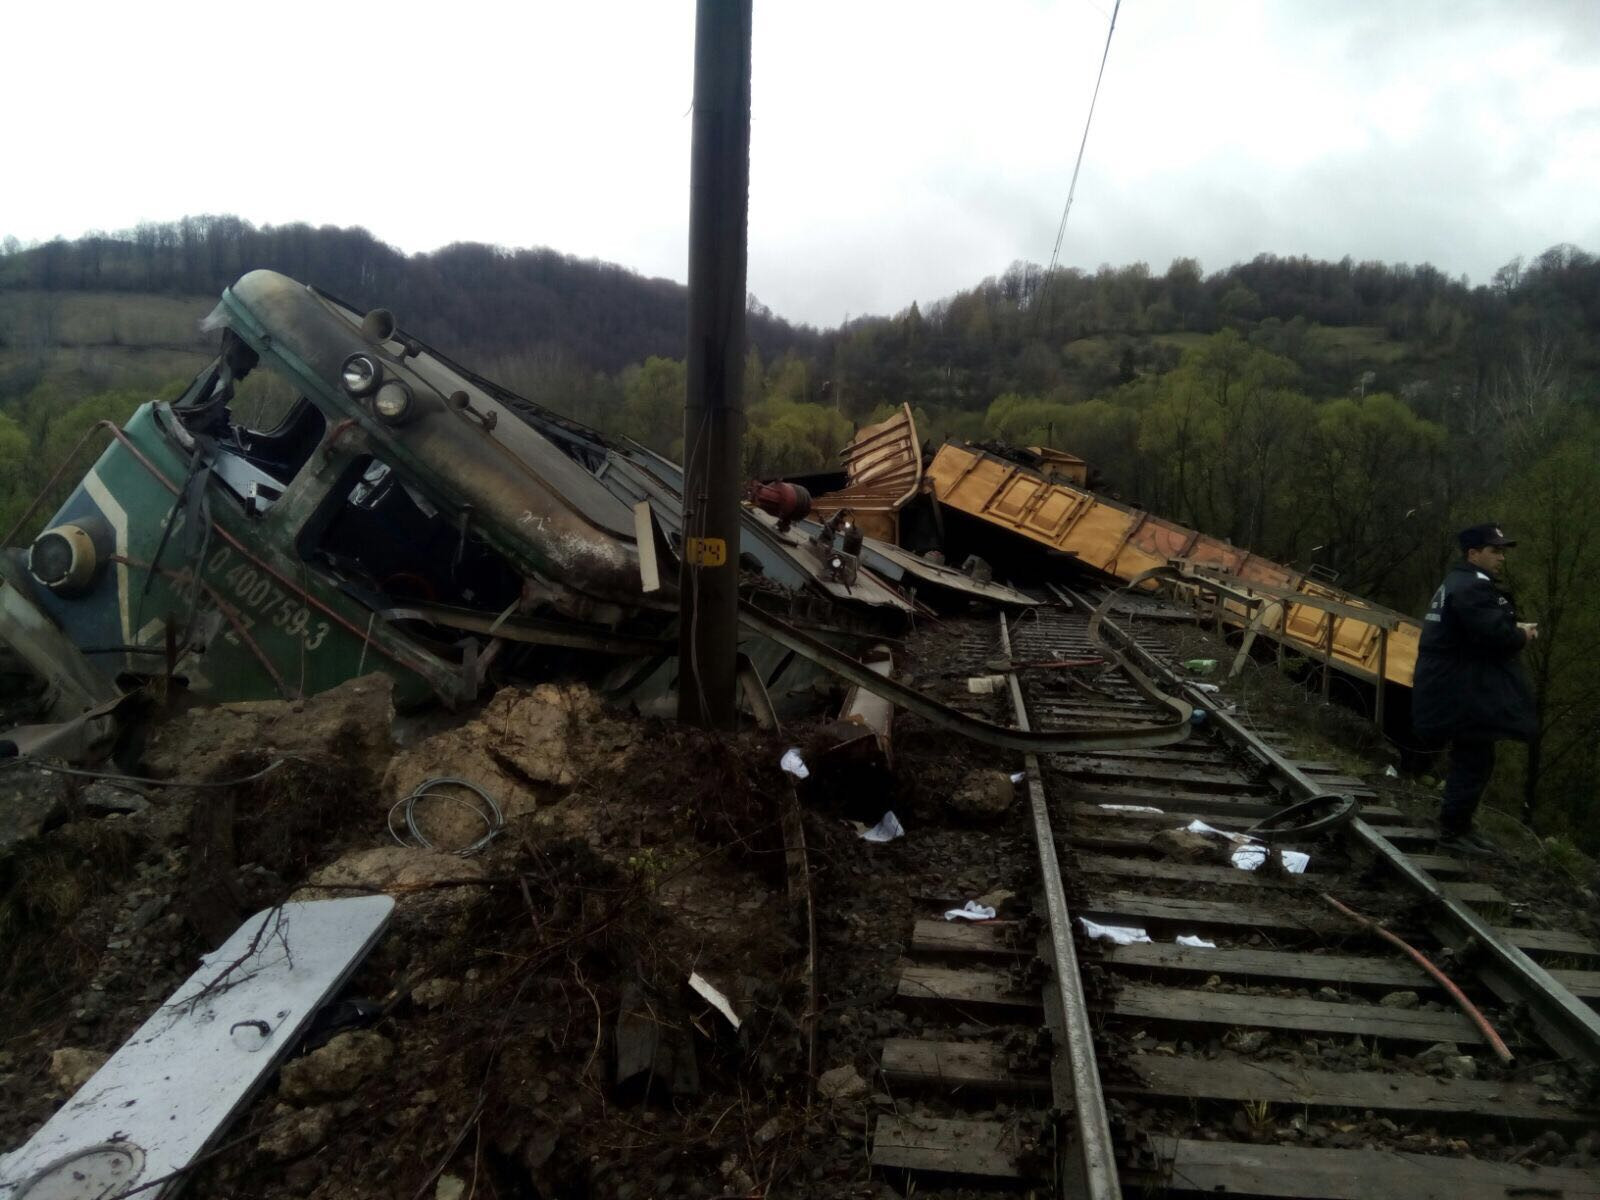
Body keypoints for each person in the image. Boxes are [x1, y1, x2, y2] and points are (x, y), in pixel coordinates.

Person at [1410, 523, 1537, 856]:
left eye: (1502, 551)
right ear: (1473, 553)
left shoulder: (1457, 582)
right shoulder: (1472, 588)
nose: (1501, 558)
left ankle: (1459, 823)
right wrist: (1521, 634)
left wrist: (1510, 627)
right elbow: (1496, 637)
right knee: (1475, 757)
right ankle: (1454, 829)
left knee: (1475, 755)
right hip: (1460, 689)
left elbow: (1475, 630)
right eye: (1495, 551)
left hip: (1452, 685)